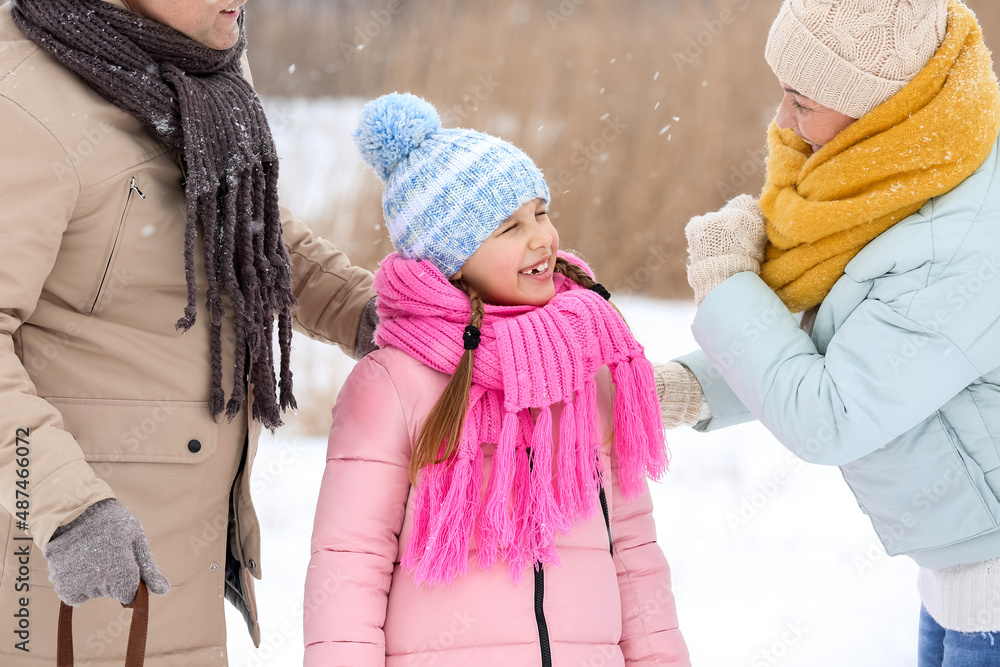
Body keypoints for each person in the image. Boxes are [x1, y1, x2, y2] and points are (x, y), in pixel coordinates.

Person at [0, 0, 378, 664]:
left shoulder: (203, 63)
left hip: (181, 580)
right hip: (62, 587)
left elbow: (249, 229)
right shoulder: (24, 99)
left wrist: (373, 313)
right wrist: (68, 506)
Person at [655, 0, 1000, 663]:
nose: (782, 121)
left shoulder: (960, 244)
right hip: (958, 576)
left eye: (801, 100)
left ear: (879, 111)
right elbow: (856, 339)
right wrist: (691, 388)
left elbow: (833, 412)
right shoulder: (914, 171)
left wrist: (726, 281)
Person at [303, 92, 690, 667]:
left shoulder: (586, 363)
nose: (542, 238)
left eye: (540, 212)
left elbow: (632, 552)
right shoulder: (393, 385)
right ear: (451, 259)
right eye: (508, 227)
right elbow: (349, 564)